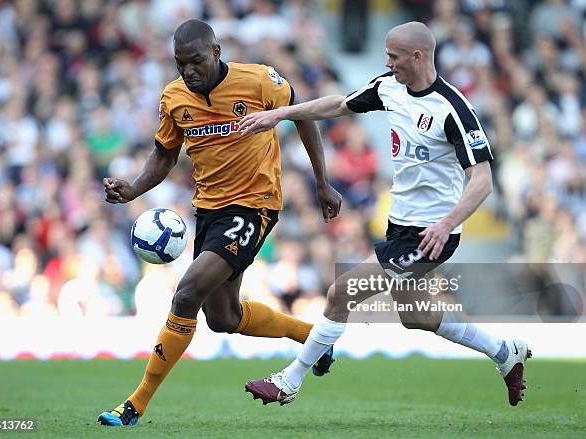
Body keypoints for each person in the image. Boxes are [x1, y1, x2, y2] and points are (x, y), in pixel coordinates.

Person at [240, 22, 531, 407]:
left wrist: (447, 224)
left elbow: (482, 180)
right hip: (400, 225)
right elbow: (340, 104)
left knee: (341, 292)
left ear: (417, 56)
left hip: (431, 234)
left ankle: (289, 380)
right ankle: (503, 352)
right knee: (415, 315)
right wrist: (283, 114)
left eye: (393, 56)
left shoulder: (453, 109)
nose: (387, 62)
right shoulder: (388, 87)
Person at [97, 19, 342, 426]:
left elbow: (301, 116)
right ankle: (312, 338)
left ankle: (134, 405)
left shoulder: (260, 80)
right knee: (223, 318)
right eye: (180, 64)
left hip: (255, 205)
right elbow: (163, 155)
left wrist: (322, 182)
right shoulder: (174, 98)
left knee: (186, 293)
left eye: (195, 61)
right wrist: (134, 189)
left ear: (215, 51)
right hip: (209, 209)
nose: (187, 71)